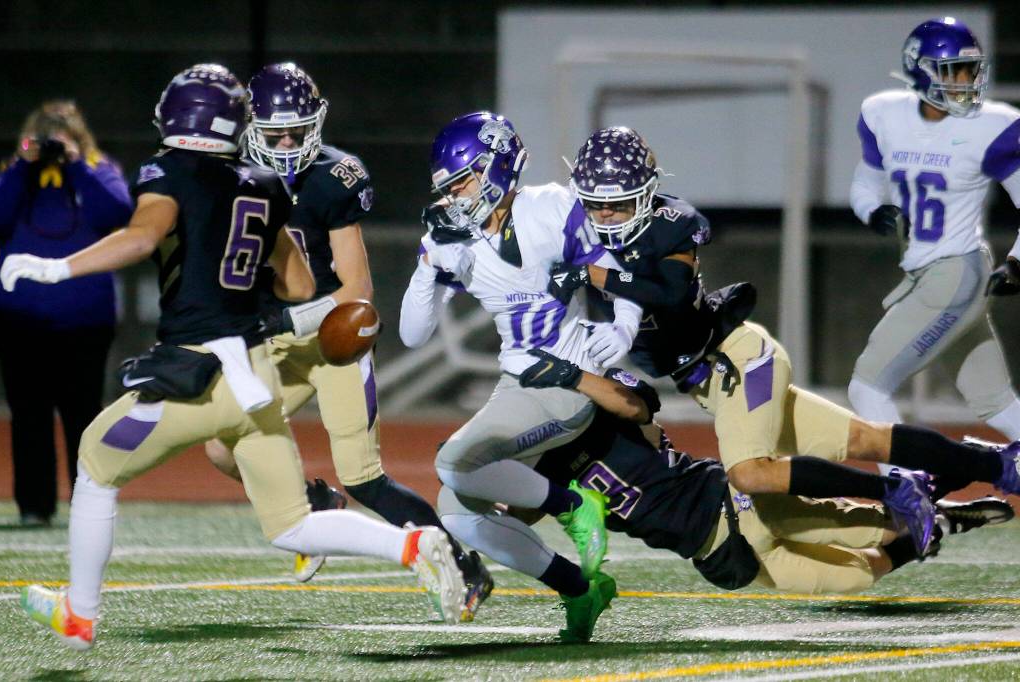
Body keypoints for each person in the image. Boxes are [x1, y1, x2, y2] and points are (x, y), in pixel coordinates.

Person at [1, 64, 466, 651]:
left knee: (95, 462)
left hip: (199, 375)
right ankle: (412, 543)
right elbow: (300, 286)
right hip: (257, 378)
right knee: (292, 522)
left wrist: (55, 268)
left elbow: (142, 238)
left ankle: (80, 614)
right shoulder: (265, 186)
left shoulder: (168, 171)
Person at [548, 126, 1020, 555]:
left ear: (646, 194)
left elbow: (668, 291)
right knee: (863, 438)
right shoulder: (572, 235)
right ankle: (996, 465)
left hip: (736, 360)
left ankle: (897, 492)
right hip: (707, 380)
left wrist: (594, 277)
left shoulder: (671, 222)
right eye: (594, 204)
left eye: (619, 204)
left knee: (750, 472)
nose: (604, 215)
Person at [198, 62, 492, 620]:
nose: (289, 144)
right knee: (220, 446)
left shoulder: (334, 177)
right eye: (277, 134)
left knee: (364, 477)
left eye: (297, 131)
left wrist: (286, 322)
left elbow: (357, 290)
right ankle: (314, 501)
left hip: (334, 338)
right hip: (273, 340)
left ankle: (462, 566)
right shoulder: (227, 182)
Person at [399, 111, 646, 642]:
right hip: (518, 381)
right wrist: (427, 263)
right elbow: (412, 334)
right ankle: (579, 589)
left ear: (498, 164)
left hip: (567, 380)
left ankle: (574, 506)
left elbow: (617, 272)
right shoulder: (456, 241)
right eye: (449, 187)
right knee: (457, 512)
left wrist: (623, 326)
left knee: (453, 462)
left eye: (464, 181)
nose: (456, 196)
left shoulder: (552, 207)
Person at [516, 349, 1014, 595]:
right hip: (719, 553)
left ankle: (947, 477)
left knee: (874, 525)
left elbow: (638, 405)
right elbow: (521, 511)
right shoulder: (540, 465)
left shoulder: (601, 407)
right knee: (856, 578)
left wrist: (574, 377)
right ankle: (941, 522)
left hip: (730, 506)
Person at [847, 17, 1020, 439]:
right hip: (926, 273)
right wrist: (873, 209)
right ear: (919, 68)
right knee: (995, 401)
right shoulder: (884, 114)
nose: (965, 82)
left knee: (867, 386)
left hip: (955, 274)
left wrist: (1018, 262)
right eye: (954, 71)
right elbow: (865, 182)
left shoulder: (991, 127)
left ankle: (904, 475)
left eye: (970, 70)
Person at [0, 100, 133, 526]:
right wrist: (23, 166)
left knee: (84, 414)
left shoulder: (98, 169)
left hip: (84, 320)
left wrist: (76, 165)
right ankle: (34, 507)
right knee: (28, 415)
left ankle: (87, 504)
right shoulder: (14, 172)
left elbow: (119, 212)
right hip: (20, 318)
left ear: (78, 137)